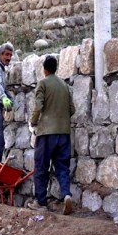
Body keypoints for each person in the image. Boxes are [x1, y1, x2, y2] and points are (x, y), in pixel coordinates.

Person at [28, 55, 75, 214]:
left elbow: (39, 105)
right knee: (62, 166)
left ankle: (40, 202)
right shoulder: (64, 85)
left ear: (44, 69)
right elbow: (72, 110)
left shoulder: (43, 84)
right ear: (56, 68)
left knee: (41, 167)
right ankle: (67, 195)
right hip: (64, 133)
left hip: (46, 133)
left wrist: (33, 122)